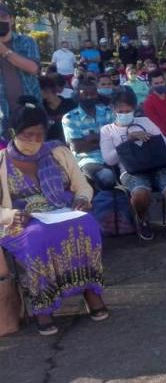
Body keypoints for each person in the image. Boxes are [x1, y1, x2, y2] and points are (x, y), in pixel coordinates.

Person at [0, 102, 107, 335]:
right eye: (28, 135)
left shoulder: (58, 152)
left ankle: (90, 291)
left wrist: (82, 199)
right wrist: (11, 215)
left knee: (86, 223)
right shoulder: (1, 162)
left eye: (39, 135)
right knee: (39, 236)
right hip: (21, 221)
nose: (34, 140)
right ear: (13, 133)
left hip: (61, 210)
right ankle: (43, 307)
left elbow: (82, 186)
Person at [100, 89, 166, 247]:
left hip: (157, 165)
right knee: (140, 194)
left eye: (128, 110)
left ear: (134, 108)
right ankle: (142, 218)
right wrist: (128, 140)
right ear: (113, 110)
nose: (125, 113)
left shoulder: (145, 122)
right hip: (131, 171)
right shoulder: (107, 130)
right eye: (121, 111)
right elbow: (109, 159)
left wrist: (147, 136)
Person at [62, 81, 117, 190]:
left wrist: (92, 139)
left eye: (93, 93)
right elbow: (77, 147)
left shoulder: (108, 112)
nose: (89, 97)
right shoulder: (70, 118)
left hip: (114, 155)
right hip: (89, 159)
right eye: (85, 93)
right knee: (107, 176)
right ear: (77, 94)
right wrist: (104, 138)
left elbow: (117, 138)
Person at [0, 4, 42, 138]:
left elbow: (33, 68)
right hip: (3, 113)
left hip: (30, 109)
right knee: (6, 155)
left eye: (3, 17)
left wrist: (4, 51)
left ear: (11, 20)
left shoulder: (27, 42)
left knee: (34, 151)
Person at [40, 76, 77, 143]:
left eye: (47, 92)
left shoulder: (71, 104)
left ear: (53, 90)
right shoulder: (41, 109)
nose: (45, 96)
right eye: (42, 93)